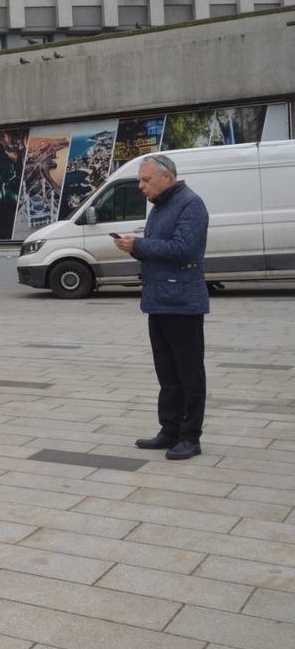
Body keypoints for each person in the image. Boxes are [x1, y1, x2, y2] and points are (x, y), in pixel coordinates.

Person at [115, 153, 210, 461]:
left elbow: (185, 249)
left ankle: (190, 437)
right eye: (140, 180)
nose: (141, 186)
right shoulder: (160, 206)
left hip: (182, 302)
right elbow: (158, 252)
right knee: (167, 373)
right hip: (158, 300)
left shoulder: (190, 204)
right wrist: (133, 248)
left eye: (146, 180)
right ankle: (169, 430)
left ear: (166, 177)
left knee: (189, 373)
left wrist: (139, 245)